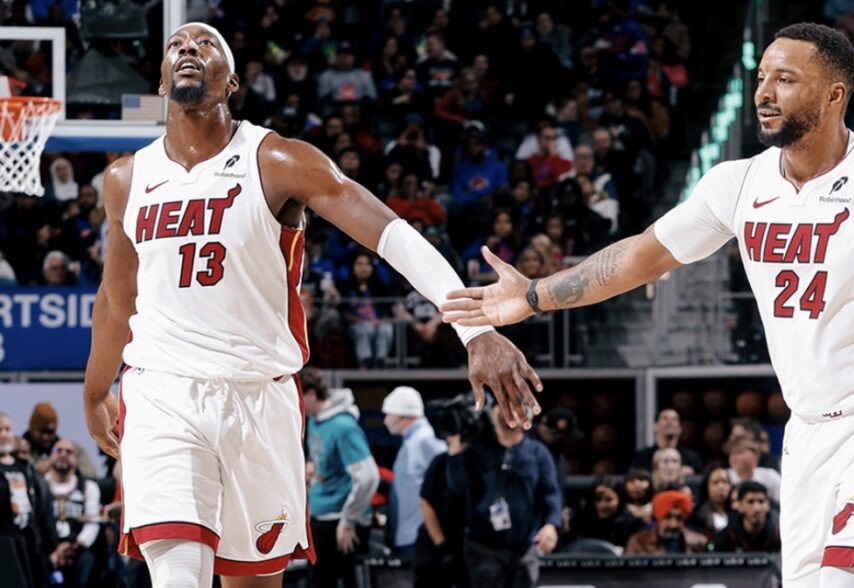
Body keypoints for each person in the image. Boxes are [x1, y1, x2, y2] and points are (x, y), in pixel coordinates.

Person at [441, 22, 854, 588]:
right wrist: (534, 295)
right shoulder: (738, 184)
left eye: (785, 80)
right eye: (761, 77)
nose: (764, 93)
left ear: (834, 95)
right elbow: (642, 257)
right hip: (808, 431)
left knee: (848, 582)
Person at [82, 22, 542, 588]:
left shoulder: (279, 160)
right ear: (161, 80)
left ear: (232, 83)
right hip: (162, 391)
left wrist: (476, 330)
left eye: (206, 43)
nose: (188, 49)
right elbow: (116, 298)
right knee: (178, 573)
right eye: (177, 44)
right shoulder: (126, 179)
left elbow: (392, 236)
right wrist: (96, 389)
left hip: (257, 394)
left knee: (254, 582)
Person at [446, 406, 561, 588]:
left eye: (516, 407)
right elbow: (457, 487)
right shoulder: (476, 451)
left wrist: (551, 524)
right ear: (492, 413)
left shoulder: (537, 452)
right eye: (503, 406)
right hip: (483, 546)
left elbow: (550, 492)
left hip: (524, 545)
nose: (509, 413)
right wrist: (455, 453)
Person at [302, 368, 379, 588]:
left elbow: (368, 477)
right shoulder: (315, 421)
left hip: (339, 523)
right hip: (320, 516)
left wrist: (349, 520)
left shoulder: (343, 427)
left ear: (312, 394)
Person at [383, 386, 446, 558]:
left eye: (388, 414)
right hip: (410, 537)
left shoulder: (424, 441)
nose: (385, 421)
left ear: (403, 416)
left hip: (420, 538)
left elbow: (445, 482)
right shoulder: (412, 442)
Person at [0, 412, 62, 587]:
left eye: (7, 429)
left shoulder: (25, 469)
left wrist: (51, 547)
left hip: (28, 545)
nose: (4, 434)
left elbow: (41, 510)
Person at [45, 438, 103, 588]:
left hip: (76, 549)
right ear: (50, 456)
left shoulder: (88, 487)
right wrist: (52, 551)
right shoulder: (39, 484)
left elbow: (93, 523)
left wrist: (75, 546)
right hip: (46, 548)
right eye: (58, 450)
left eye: (69, 452)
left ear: (77, 460)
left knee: (88, 560)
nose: (63, 454)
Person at [415, 434, 470, 588]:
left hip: (471, 547)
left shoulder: (484, 462)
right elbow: (426, 504)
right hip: (438, 546)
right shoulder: (441, 463)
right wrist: (442, 546)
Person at [570, 477, 645, 549]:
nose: (602, 505)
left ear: (620, 500)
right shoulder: (581, 523)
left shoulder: (634, 526)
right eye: (598, 499)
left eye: (609, 499)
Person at [710, 481, 781, 553]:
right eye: (750, 502)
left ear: (768, 505)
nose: (757, 508)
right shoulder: (727, 536)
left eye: (761, 501)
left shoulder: (779, 535)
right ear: (740, 506)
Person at [630, 408, 702, 474]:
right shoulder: (642, 457)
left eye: (674, 419)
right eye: (665, 418)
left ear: (680, 428)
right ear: (655, 426)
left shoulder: (692, 458)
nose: (670, 422)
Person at [624, 490, 693, 555]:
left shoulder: (696, 543)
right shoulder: (638, 542)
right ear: (658, 517)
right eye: (668, 517)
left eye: (679, 518)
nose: (673, 525)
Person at [724, 435, 782, 505]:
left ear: (756, 455)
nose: (734, 457)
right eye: (731, 454)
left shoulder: (770, 476)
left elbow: (783, 502)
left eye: (739, 452)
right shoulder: (724, 476)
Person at [693, 467, 733, 535]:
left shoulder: (736, 512)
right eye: (715, 482)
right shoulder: (698, 516)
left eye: (725, 482)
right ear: (706, 486)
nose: (721, 486)